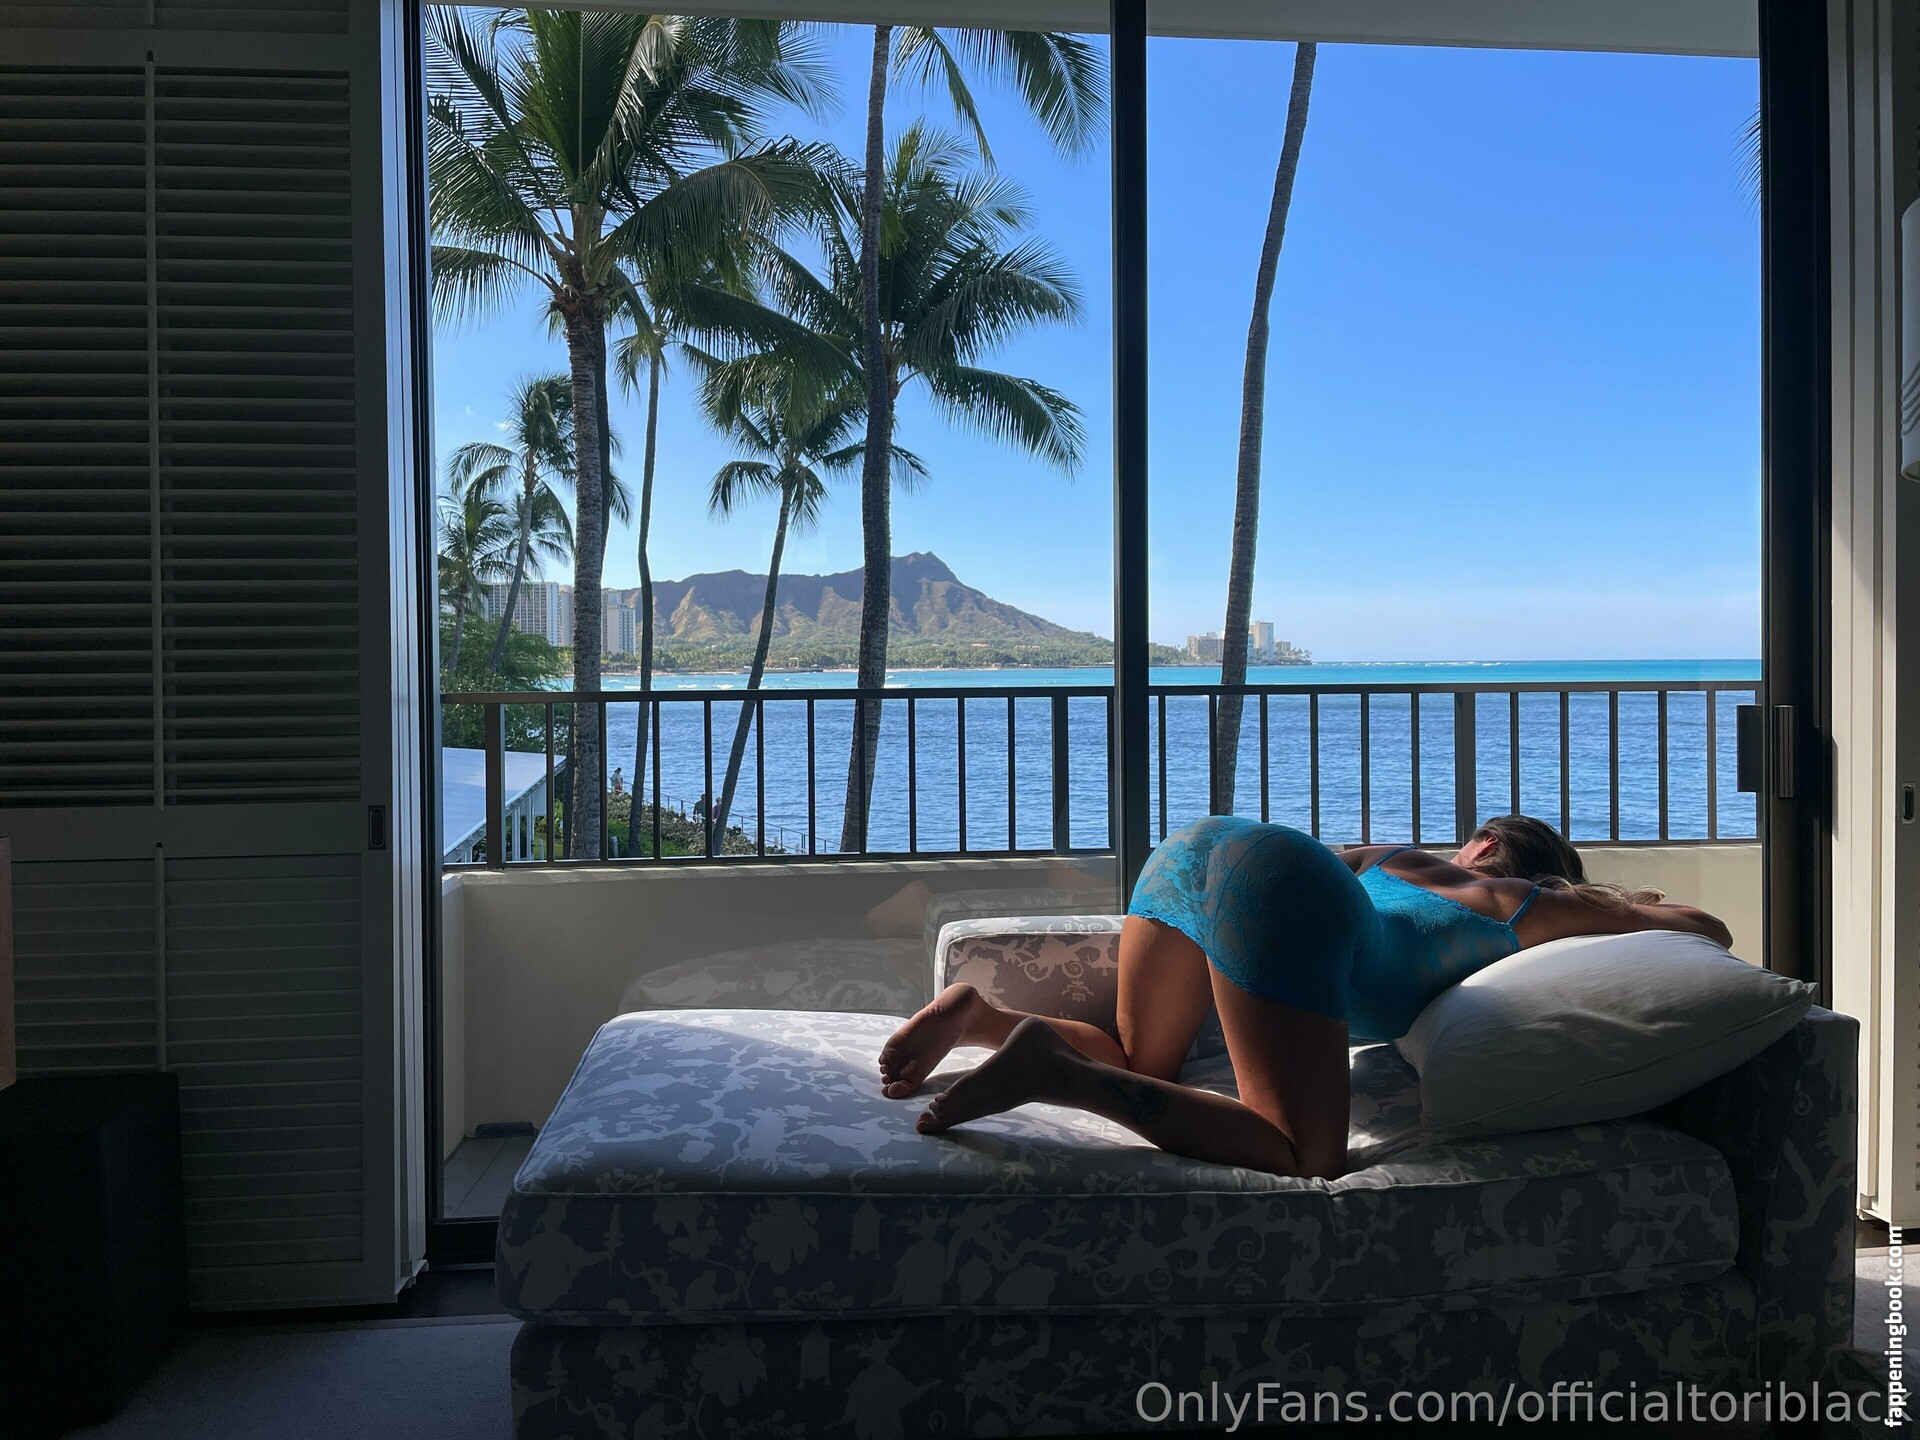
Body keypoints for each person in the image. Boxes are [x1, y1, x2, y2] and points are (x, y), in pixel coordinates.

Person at [876, 814, 1733, 1181]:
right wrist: (1620, 904)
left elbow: (1298, 879)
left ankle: (983, 1017)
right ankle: (1060, 1074)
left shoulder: (1397, 859)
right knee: (1303, 1155)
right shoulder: (1529, 903)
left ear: (1479, 843)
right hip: (1282, 881)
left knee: (1144, 1059)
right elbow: (1709, 928)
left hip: (1200, 844)